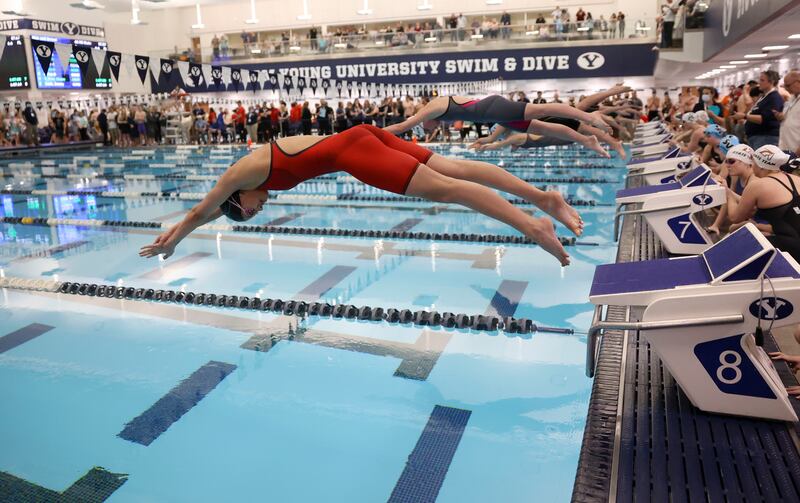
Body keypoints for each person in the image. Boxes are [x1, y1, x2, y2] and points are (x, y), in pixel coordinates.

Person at [139, 124, 583, 266]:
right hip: (362, 137)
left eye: (251, 212)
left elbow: (203, 209)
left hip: (355, 151)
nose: (262, 208)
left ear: (239, 199)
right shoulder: (250, 181)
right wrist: (182, 230)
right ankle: (544, 198)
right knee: (456, 168)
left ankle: (534, 225)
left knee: (450, 189)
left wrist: (173, 239)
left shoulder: (241, 174)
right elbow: (214, 214)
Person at [383, 94, 612, 142]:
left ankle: (588, 117)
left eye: (426, 125)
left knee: (541, 111)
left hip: (494, 108)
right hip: (494, 115)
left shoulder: (430, 111)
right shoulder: (435, 110)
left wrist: (374, 133)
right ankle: (586, 140)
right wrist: (488, 139)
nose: (427, 127)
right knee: (543, 129)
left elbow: (404, 126)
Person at [726, 144, 800, 261]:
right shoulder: (796, 179)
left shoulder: (757, 186)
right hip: (790, 238)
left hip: (790, 246)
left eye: (753, 162)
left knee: (736, 245)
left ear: (761, 165)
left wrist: (727, 193)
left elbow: (735, 217)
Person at [734, 70, 784, 149]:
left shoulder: (774, 98)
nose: (759, 83)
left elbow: (764, 118)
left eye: (762, 80)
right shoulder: (764, 97)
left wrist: (744, 116)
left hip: (765, 137)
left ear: (771, 82)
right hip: (758, 137)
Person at [776, 70, 800, 155]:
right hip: (786, 148)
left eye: (788, 85)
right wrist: (781, 116)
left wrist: (797, 154)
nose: (786, 88)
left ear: (798, 82)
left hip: (796, 151)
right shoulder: (792, 98)